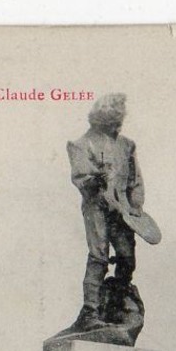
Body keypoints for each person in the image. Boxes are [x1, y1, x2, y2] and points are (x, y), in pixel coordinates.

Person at [67, 93, 144, 330]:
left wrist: (135, 209)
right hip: (96, 206)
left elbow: (135, 181)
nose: (117, 123)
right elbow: (81, 178)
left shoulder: (127, 145)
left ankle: (116, 305)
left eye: (119, 118)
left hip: (122, 210)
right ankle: (90, 311)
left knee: (127, 258)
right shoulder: (80, 144)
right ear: (101, 117)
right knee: (99, 256)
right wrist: (95, 181)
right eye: (113, 118)